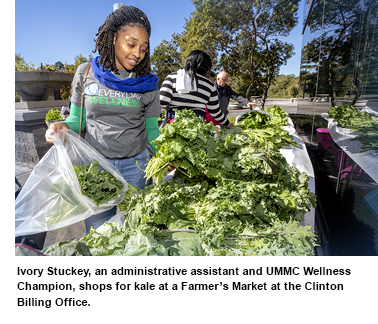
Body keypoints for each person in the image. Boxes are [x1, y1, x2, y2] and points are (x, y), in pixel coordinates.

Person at [45, 5, 160, 232]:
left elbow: (152, 132)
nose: (137, 54)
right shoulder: (86, 72)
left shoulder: (147, 83)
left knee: (138, 235)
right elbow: (78, 121)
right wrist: (60, 128)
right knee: (98, 238)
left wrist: (167, 156)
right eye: (131, 44)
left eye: (143, 48)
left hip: (136, 169)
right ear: (113, 37)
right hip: (96, 168)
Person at [159, 50, 234, 129]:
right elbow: (215, 112)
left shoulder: (173, 76)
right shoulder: (209, 85)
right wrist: (228, 124)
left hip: (175, 125)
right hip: (198, 128)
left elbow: (162, 102)